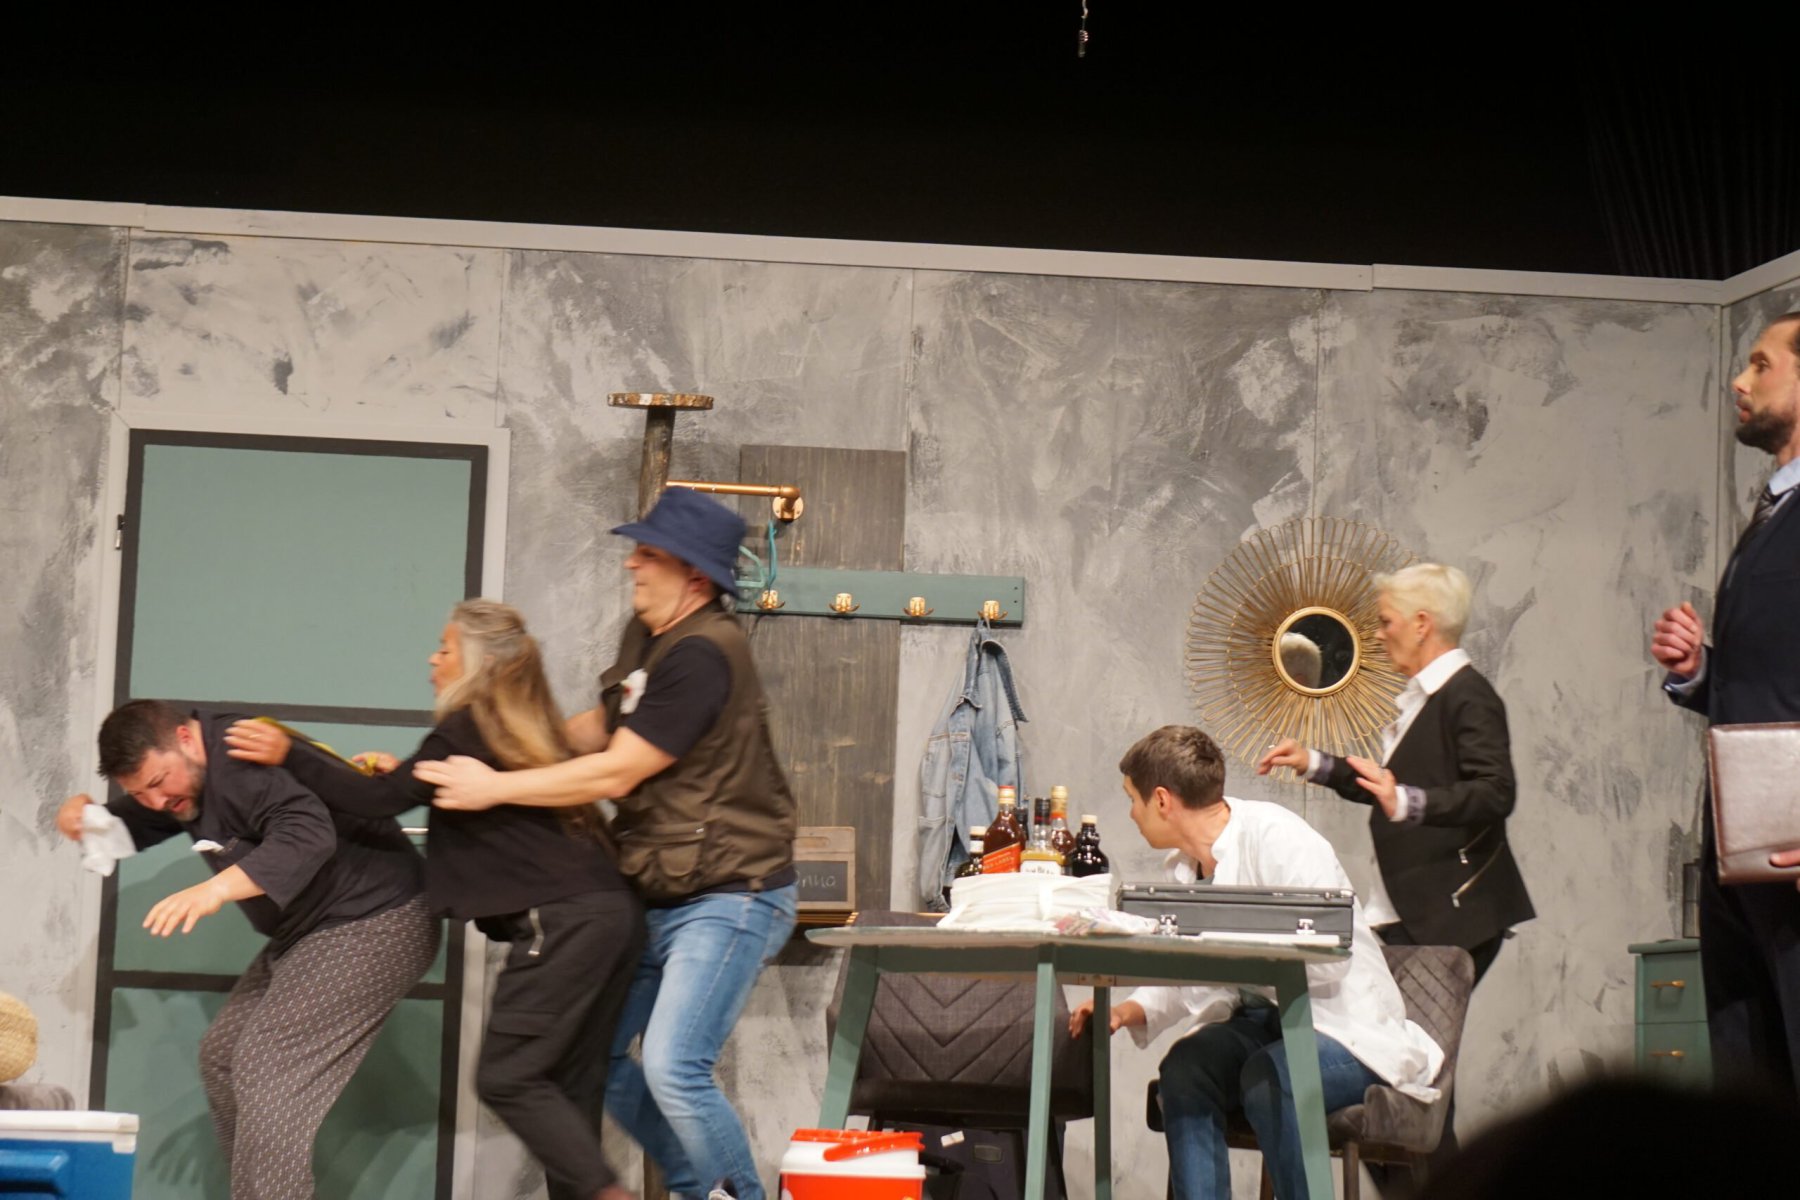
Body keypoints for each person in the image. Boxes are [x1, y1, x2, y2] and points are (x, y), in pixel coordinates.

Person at [415, 487, 797, 1200]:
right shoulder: (649, 636)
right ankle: (696, 1189)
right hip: (661, 886)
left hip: (730, 894)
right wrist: (490, 755)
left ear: (694, 574)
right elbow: (600, 727)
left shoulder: (705, 654)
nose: (631, 565)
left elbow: (621, 768)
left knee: (674, 1066)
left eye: (648, 554)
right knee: (604, 1063)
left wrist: (494, 787)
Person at [223, 599, 644, 1200]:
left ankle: (609, 1194)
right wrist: (404, 773)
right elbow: (407, 788)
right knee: (567, 1084)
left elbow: (377, 802)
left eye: (445, 648)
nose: (433, 658)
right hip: (611, 917)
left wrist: (289, 752)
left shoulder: (466, 725)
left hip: (563, 922)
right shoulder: (516, 727)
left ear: (476, 661)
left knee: (508, 1076)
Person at [56, 699, 437, 1200]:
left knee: (266, 1063)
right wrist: (89, 818)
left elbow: (306, 835)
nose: (155, 800)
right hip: (314, 929)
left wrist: (214, 890)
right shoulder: (185, 781)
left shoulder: (240, 758)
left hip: (379, 919)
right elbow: (147, 816)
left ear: (185, 738)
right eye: (139, 792)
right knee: (224, 1056)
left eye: (158, 781)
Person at [1072, 725, 1442, 1200]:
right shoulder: (1184, 870)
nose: (1130, 813)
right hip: (1264, 1028)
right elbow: (1190, 969)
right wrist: (1125, 1012)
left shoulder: (1278, 838)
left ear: (1161, 800)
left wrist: (1232, 949)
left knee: (1272, 1075)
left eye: (1133, 799)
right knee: (1185, 1069)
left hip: (1342, 1032)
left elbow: (1328, 962)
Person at [1256, 564, 1532, 1173]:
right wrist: (1315, 763)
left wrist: (1407, 800)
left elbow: (1495, 792)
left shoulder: (1467, 695)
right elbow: (1389, 786)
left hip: (1452, 916)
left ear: (1422, 623)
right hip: (1409, 911)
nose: (1379, 635)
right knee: (1406, 1084)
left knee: (1408, 1087)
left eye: (1386, 622)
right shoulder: (1425, 698)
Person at [1654, 311, 1800, 1095]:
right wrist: (1699, 671)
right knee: (1749, 1090)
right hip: (1739, 854)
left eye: (1762, 364)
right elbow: (1771, 685)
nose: (1740, 382)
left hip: (1791, 853)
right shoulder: (1772, 512)